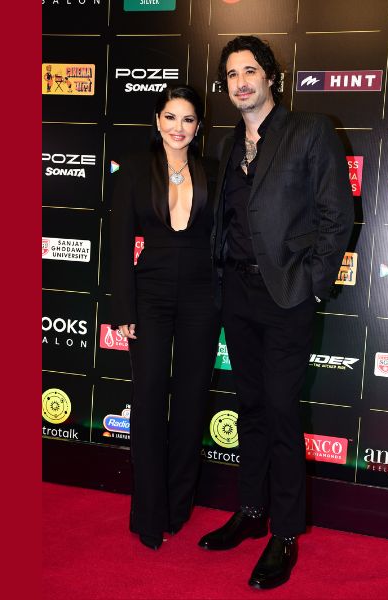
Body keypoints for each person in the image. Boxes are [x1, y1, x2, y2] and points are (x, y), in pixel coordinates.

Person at [197, 36, 354, 589]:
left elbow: (337, 214)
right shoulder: (226, 145)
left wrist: (312, 285)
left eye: (250, 71)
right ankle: (251, 509)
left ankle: (285, 533)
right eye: (231, 74)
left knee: (283, 411)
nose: (241, 82)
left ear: (271, 77)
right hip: (236, 296)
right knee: (250, 407)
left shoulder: (309, 130)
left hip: (287, 295)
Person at [109, 84, 219, 551]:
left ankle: (178, 506)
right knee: (149, 397)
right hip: (149, 293)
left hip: (202, 295)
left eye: (188, 119)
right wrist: (123, 307)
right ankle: (149, 513)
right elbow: (118, 240)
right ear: (157, 121)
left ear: (198, 127)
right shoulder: (135, 168)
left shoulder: (213, 171)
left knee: (191, 401)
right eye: (170, 117)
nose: (179, 127)